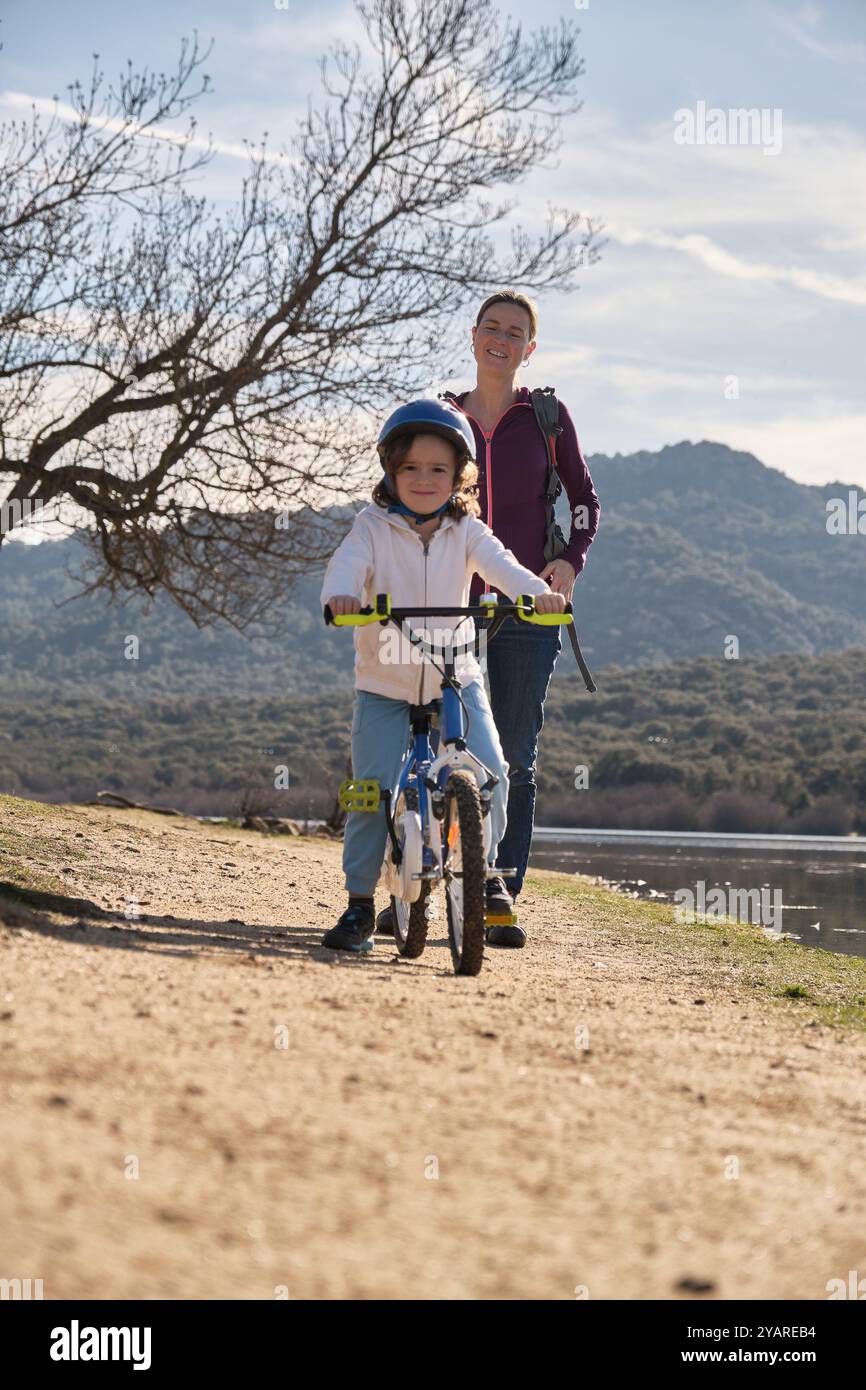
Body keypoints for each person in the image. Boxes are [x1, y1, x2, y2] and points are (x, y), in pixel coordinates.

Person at [319, 398, 566, 953]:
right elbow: (347, 565)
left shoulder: (466, 531)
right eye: (410, 468)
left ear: (460, 476)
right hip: (385, 684)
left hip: (456, 676)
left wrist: (537, 596)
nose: (424, 480)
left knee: (496, 775)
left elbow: (504, 567)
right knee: (371, 792)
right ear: (390, 471)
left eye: (438, 469)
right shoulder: (372, 527)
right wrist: (339, 595)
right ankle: (359, 904)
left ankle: (480, 872)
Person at [437, 289, 600, 945]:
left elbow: (585, 503)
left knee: (516, 753)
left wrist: (568, 567)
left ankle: (498, 889)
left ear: (529, 348)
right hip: (449, 604)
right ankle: (417, 883)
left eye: (516, 332)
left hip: (530, 608)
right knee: (436, 743)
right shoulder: (442, 416)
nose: (502, 339)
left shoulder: (548, 418)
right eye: (492, 328)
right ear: (474, 337)